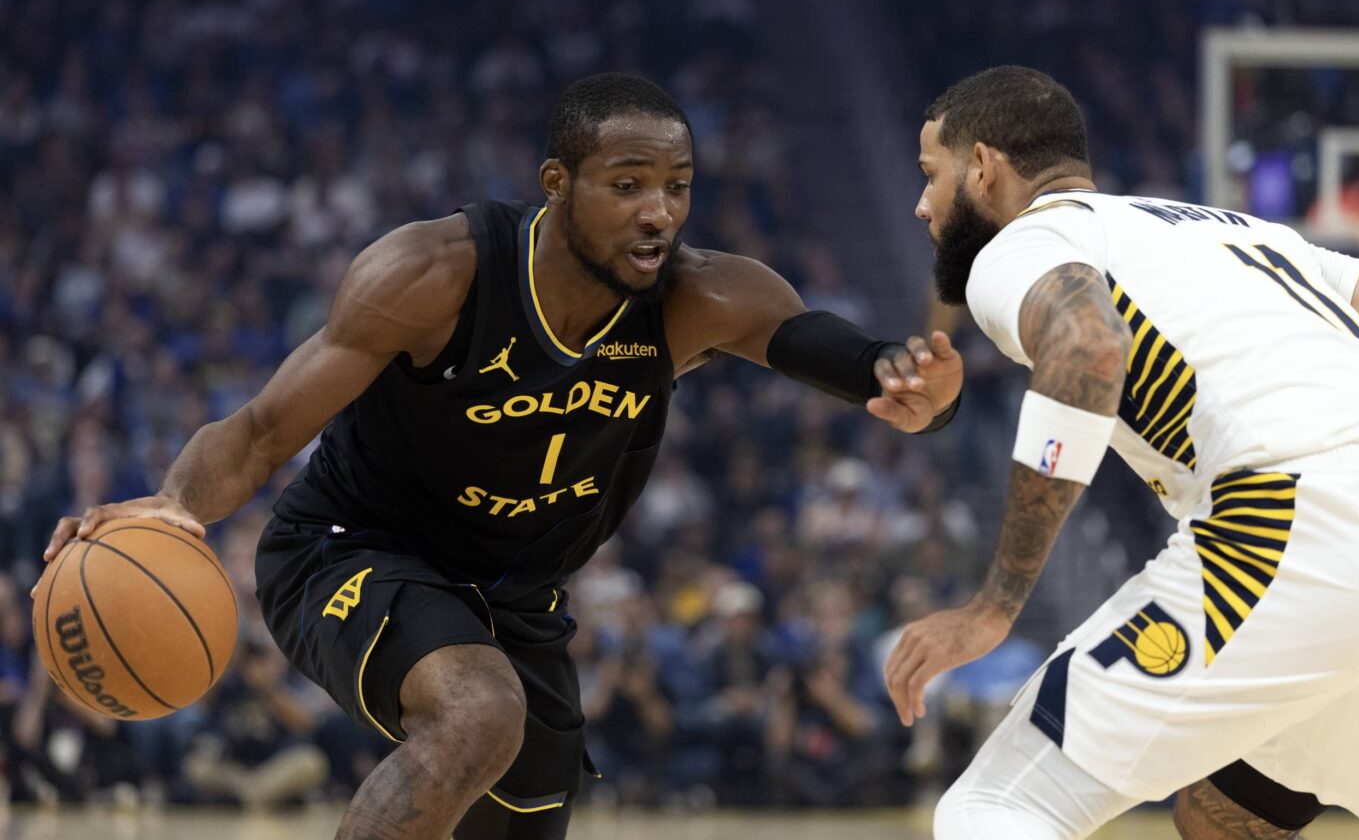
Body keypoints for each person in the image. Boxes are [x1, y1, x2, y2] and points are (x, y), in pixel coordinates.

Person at [39, 73, 963, 840]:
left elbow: (823, 345)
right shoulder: (433, 275)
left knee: (513, 803)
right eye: (628, 182)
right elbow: (259, 432)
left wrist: (902, 374)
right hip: (351, 546)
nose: (659, 213)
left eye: (677, 186)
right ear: (557, 183)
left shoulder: (698, 298)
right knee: (479, 713)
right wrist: (175, 506)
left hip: (516, 597)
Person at [883, 66, 1359, 839]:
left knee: (998, 805)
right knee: (1223, 819)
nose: (924, 204)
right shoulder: (1240, 232)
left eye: (932, 175)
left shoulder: (1024, 242)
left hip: (1313, 524)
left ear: (984, 167)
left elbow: (1090, 345)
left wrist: (995, 605)